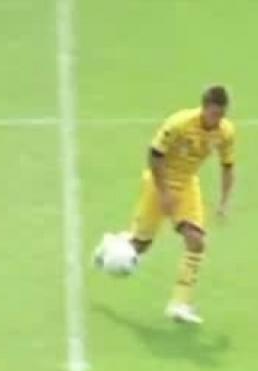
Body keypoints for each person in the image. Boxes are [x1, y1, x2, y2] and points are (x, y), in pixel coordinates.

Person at [95, 86, 237, 324]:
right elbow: (154, 156)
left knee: (196, 241)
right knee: (140, 246)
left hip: (187, 184)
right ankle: (110, 246)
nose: (217, 120)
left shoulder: (226, 132)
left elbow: (228, 166)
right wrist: (164, 192)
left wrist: (224, 202)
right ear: (204, 108)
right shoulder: (179, 123)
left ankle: (180, 303)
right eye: (214, 114)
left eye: (221, 115)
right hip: (158, 182)